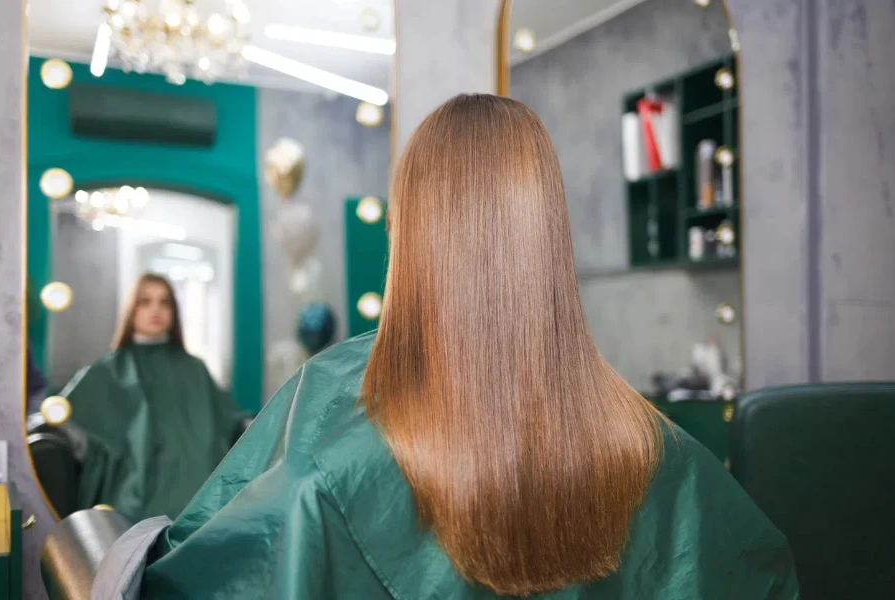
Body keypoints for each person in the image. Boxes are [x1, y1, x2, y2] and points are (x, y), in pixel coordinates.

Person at [99, 95, 798, 599]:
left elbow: (214, 574)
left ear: (413, 230)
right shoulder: (654, 447)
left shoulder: (331, 426)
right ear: (547, 232)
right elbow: (757, 571)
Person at [61, 273, 247, 522]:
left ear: (174, 311)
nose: (155, 309)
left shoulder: (195, 368)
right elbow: (67, 417)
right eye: (145, 301)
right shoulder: (110, 370)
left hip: (199, 486)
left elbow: (230, 419)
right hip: (136, 488)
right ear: (132, 310)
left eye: (164, 302)